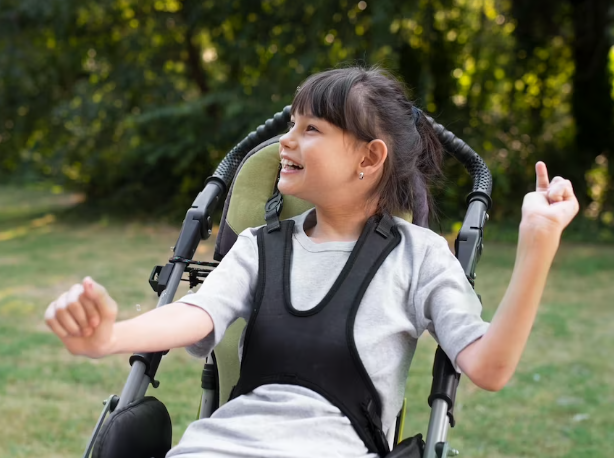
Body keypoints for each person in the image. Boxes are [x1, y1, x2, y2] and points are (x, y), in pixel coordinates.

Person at [43, 66, 579, 458]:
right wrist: (108, 336)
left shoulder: (419, 256)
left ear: (369, 158)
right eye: (291, 125)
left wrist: (537, 247)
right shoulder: (260, 246)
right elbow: (196, 313)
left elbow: (489, 366)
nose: (286, 142)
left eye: (310, 129)